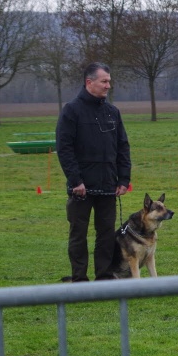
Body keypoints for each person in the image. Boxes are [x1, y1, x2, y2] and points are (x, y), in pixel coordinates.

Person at [56, 62, 131, 282]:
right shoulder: (71, 110)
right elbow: (65, 148)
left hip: (108, 184)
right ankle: (79, 278)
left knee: (106, 234)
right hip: (81, 187)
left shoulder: (112, 112)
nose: (108, 85)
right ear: (89, 82)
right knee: (79, 234)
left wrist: (124, 178)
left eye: (109, 81)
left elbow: (122, 147)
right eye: (104, 81)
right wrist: (75, 180)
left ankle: (104, 277)